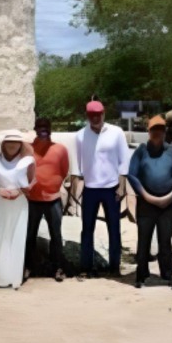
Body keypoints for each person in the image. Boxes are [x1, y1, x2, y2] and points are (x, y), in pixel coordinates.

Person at [72, 100, 129, 277]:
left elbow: (124, 160)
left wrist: (122, 185)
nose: (96, 118)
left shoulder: (116, 133)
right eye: (92, 115)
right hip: (90, 188)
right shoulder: (80, 135)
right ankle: (86, 267)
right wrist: (74, 191)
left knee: (114, 228)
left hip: (111, 188)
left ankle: (114, 266)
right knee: (87, 229)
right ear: (87, 116)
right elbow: (76, 164)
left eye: (99, 114)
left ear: (104, 114)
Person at [128, 116, 172, 288]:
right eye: (154, 129)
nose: (157, 133)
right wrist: (147, 196)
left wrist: (170, 197)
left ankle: (167, 275)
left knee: (165, 239)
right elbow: (132, 175)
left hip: (168, 203)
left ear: (165, 131)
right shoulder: (141, 151)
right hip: (146, 201)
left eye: (160, 129)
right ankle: (141, 275)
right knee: (143, 239)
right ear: (149, 131)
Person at [0, 133, 35, 289]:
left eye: (16, 142)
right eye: (9, 142)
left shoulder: (26, 161)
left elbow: (32, 180)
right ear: (3, 144)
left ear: (21, 144)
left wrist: (19, 192)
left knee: (16, 237)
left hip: (18, 202)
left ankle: (14, 277)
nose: (12, 145)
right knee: (0, 237)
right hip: (0, 201)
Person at [25, 118, 69, 282]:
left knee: (56, 235)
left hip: (53, 200)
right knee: (30, 235)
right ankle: (28, 266)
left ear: (50, 129)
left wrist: (52, 186)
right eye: (40, 127)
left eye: (46, 127)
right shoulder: (27, 148)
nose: (43, 130)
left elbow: (64, 171)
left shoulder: (60, 149)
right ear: (35, 129)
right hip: (33, 199)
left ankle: (57, 267)